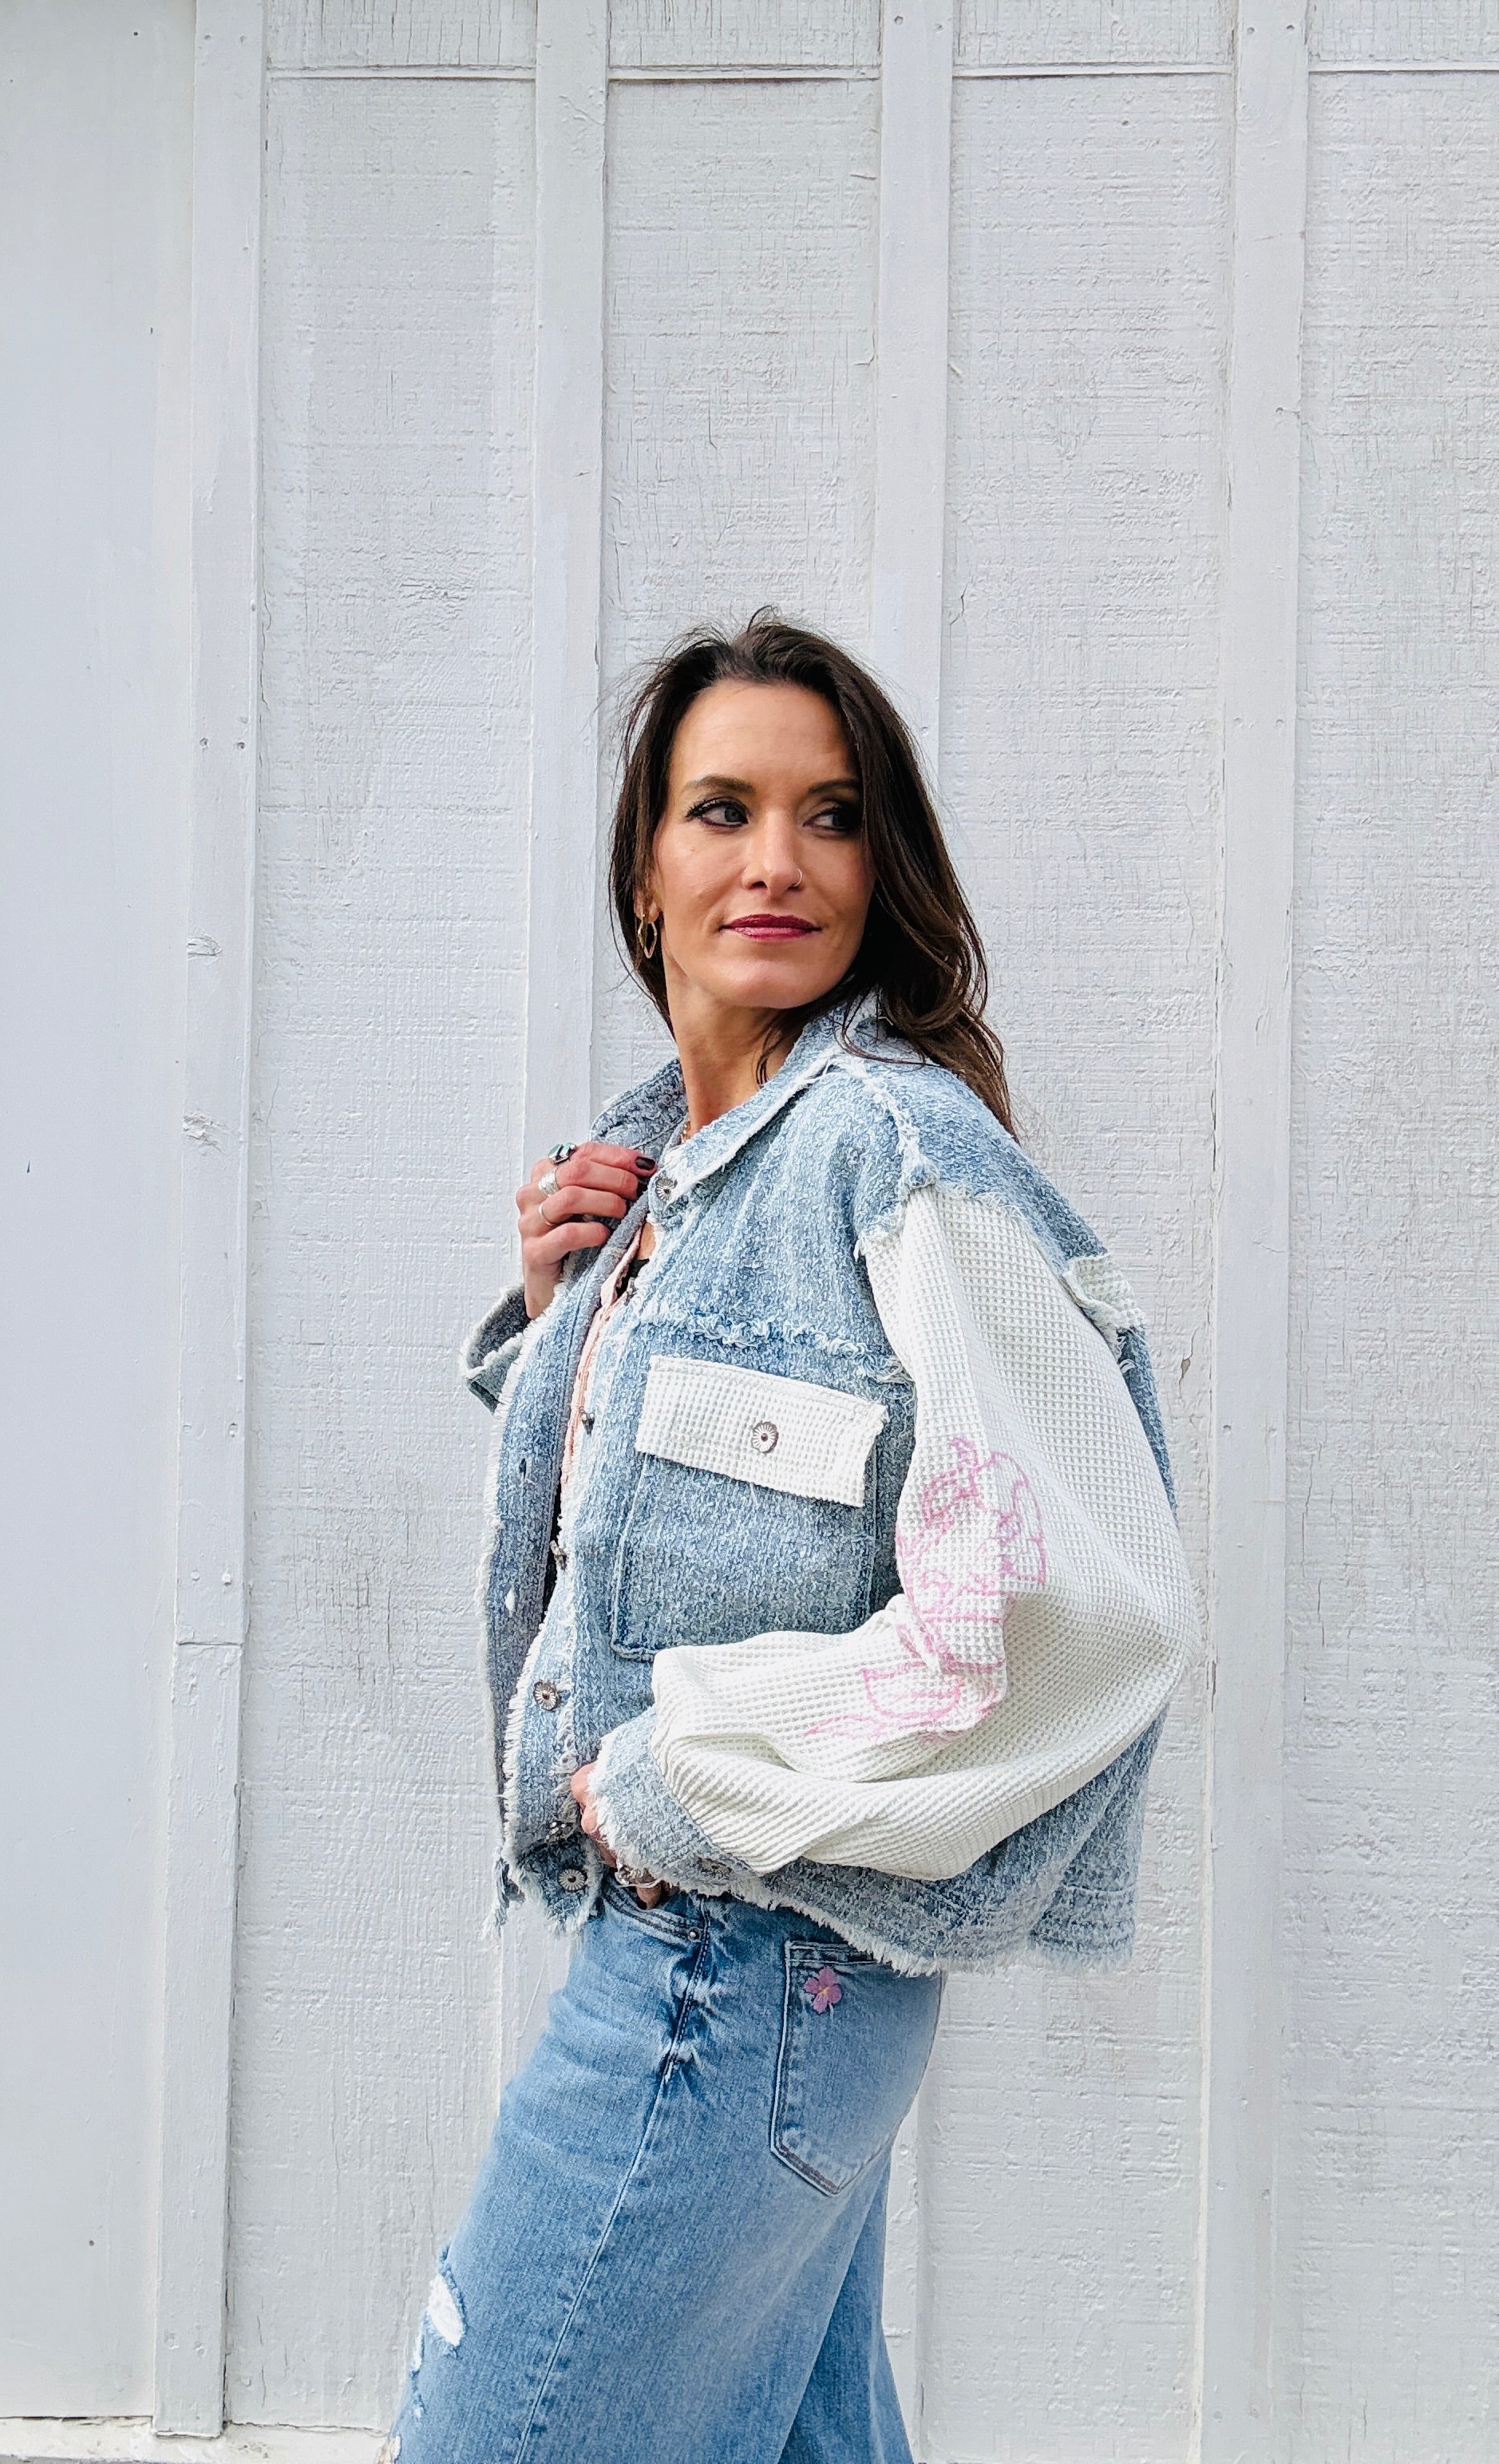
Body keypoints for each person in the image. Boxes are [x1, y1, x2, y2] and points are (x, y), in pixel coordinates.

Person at [378, 614, 1198, 2464]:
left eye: (831, 814)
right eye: (722, 809)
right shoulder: (680, 1167)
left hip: (728, 1974)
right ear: (645, 876)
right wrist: (564, 1316)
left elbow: (1073, 1601)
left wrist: (674, 1776)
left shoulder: (893, 1154)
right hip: (758, 1984)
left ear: (880, 863)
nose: (777, 859)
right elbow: (731, 1503)